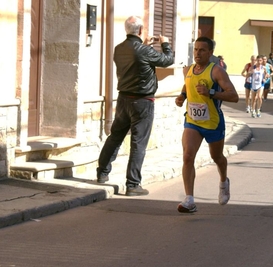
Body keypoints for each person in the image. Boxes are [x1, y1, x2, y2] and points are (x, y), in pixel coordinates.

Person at [96, 16, 174, 196]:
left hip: (123, 99)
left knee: (115, 137)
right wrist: (165, 43)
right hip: (143, 101)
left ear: (127, 30)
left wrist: (144, 44)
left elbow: (137, 58)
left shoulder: (119, 48)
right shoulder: (144, 51)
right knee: (138, 143)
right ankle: (132, 184)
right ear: (140, 30)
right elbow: (167, 60)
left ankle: (102, 172)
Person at [174, 36, 239, 213]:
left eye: (202, 50)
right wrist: (182, 97)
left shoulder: (217, 72)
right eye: (195, 49)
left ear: (210, 53)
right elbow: (188, 85)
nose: (197, 53)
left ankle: (224, 181)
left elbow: (234, 96)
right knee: (188, 156)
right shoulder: (187, 70)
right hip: (193, 121)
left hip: (213, 123)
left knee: (217, 157)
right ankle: (189, 200)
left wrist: (210, 92)